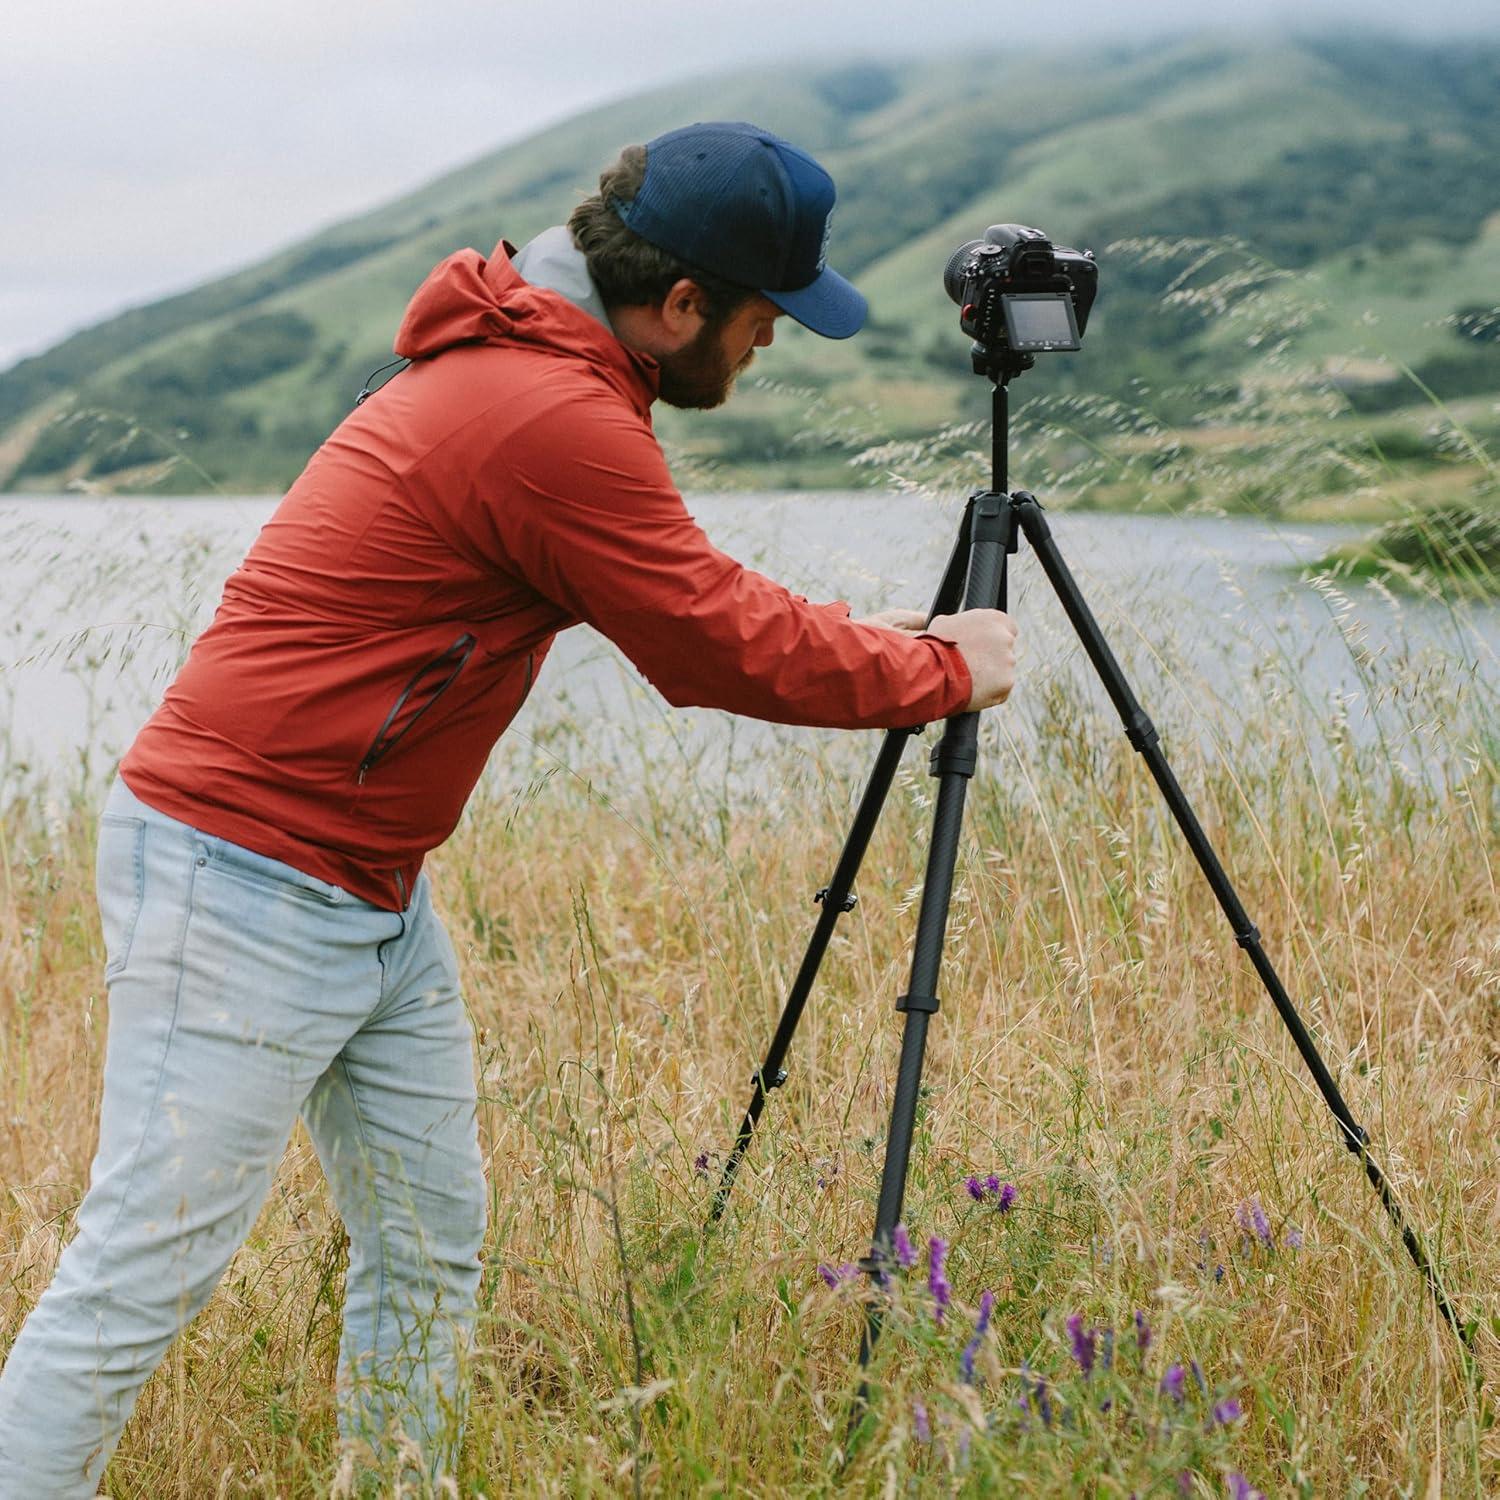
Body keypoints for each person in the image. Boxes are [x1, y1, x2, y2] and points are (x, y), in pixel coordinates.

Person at [0, 121, 1017, 1494]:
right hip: (245, 873)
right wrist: (943, 668)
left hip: (362, 884)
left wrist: (869, 633)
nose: (771, 344)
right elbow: (706, 642)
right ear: (679, 306)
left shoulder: (533, 371)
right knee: (140, 1271)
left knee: (427, 1237)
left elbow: (686, 595)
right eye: (767, 316)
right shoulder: (550, 412)